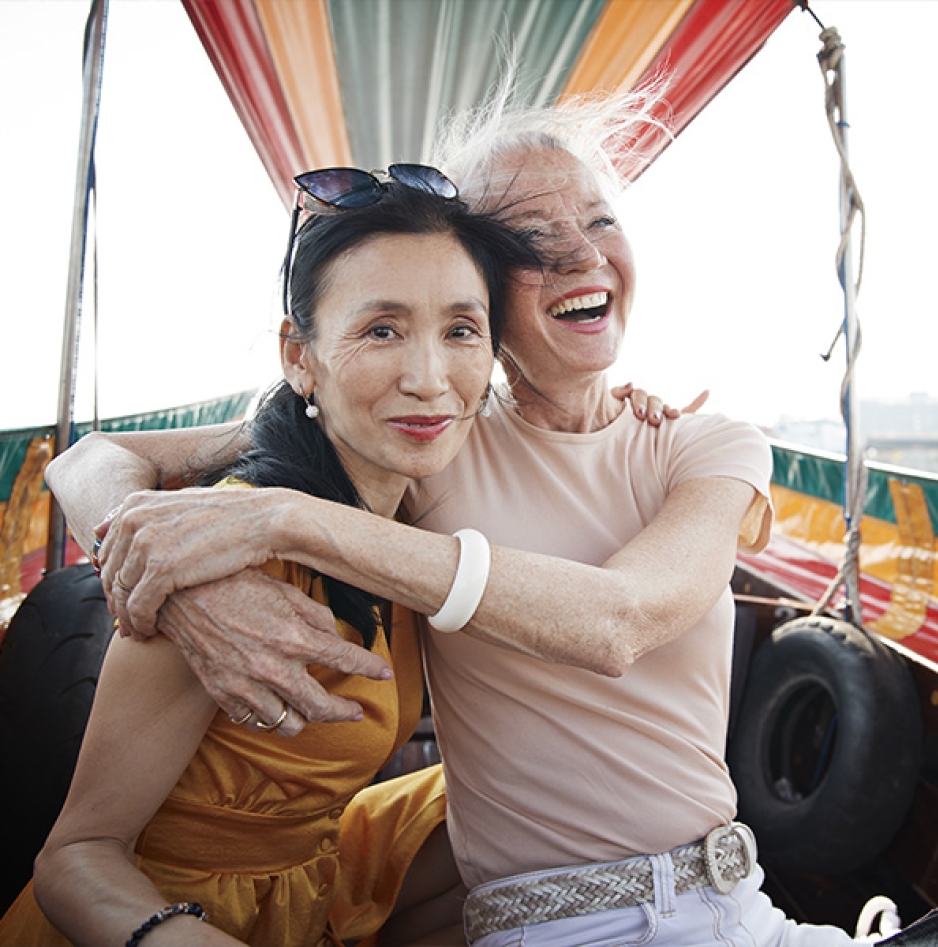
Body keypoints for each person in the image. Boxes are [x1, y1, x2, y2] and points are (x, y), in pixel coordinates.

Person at [44, 89, 890, 946]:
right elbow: (91, 460)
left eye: (599, 220)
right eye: (531, 242)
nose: (578, 255)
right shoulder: (423, 437)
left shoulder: (699, 444)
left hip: (741, 904)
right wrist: (176, 582)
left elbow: (620, 620)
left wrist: (282, 521)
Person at [0, 170, 546, 947]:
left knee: (538, 800)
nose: (428, 379)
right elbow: (77, 856)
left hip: (311, 878)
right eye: (381, 329)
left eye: (460, 329)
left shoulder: (414, 506)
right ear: (300, 355)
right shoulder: (224, 556)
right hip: (168, 913)